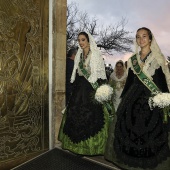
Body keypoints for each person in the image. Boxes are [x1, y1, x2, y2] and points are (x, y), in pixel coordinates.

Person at [104, 27, 170, 170]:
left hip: (151, 101)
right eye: (138, 37)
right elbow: (130, 82)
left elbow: (161, 81)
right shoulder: (132, 60)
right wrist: (123, 101)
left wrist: (164, 99)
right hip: (132, 100)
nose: (141, 39)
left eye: (144, 36)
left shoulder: (158, 58)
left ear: (150, 39)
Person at [58, 31, 111, 156]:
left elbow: (100, 74)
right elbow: (77, 73)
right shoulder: (79, 55)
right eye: (79, 40)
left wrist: (101, 90)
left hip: (91, 89)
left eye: (83, 40)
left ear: (88, 40)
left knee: (91, 117)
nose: (81, 43)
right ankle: (76, 147)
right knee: (75, 115)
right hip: (79, 88)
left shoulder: (96, 54)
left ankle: (89, 147)